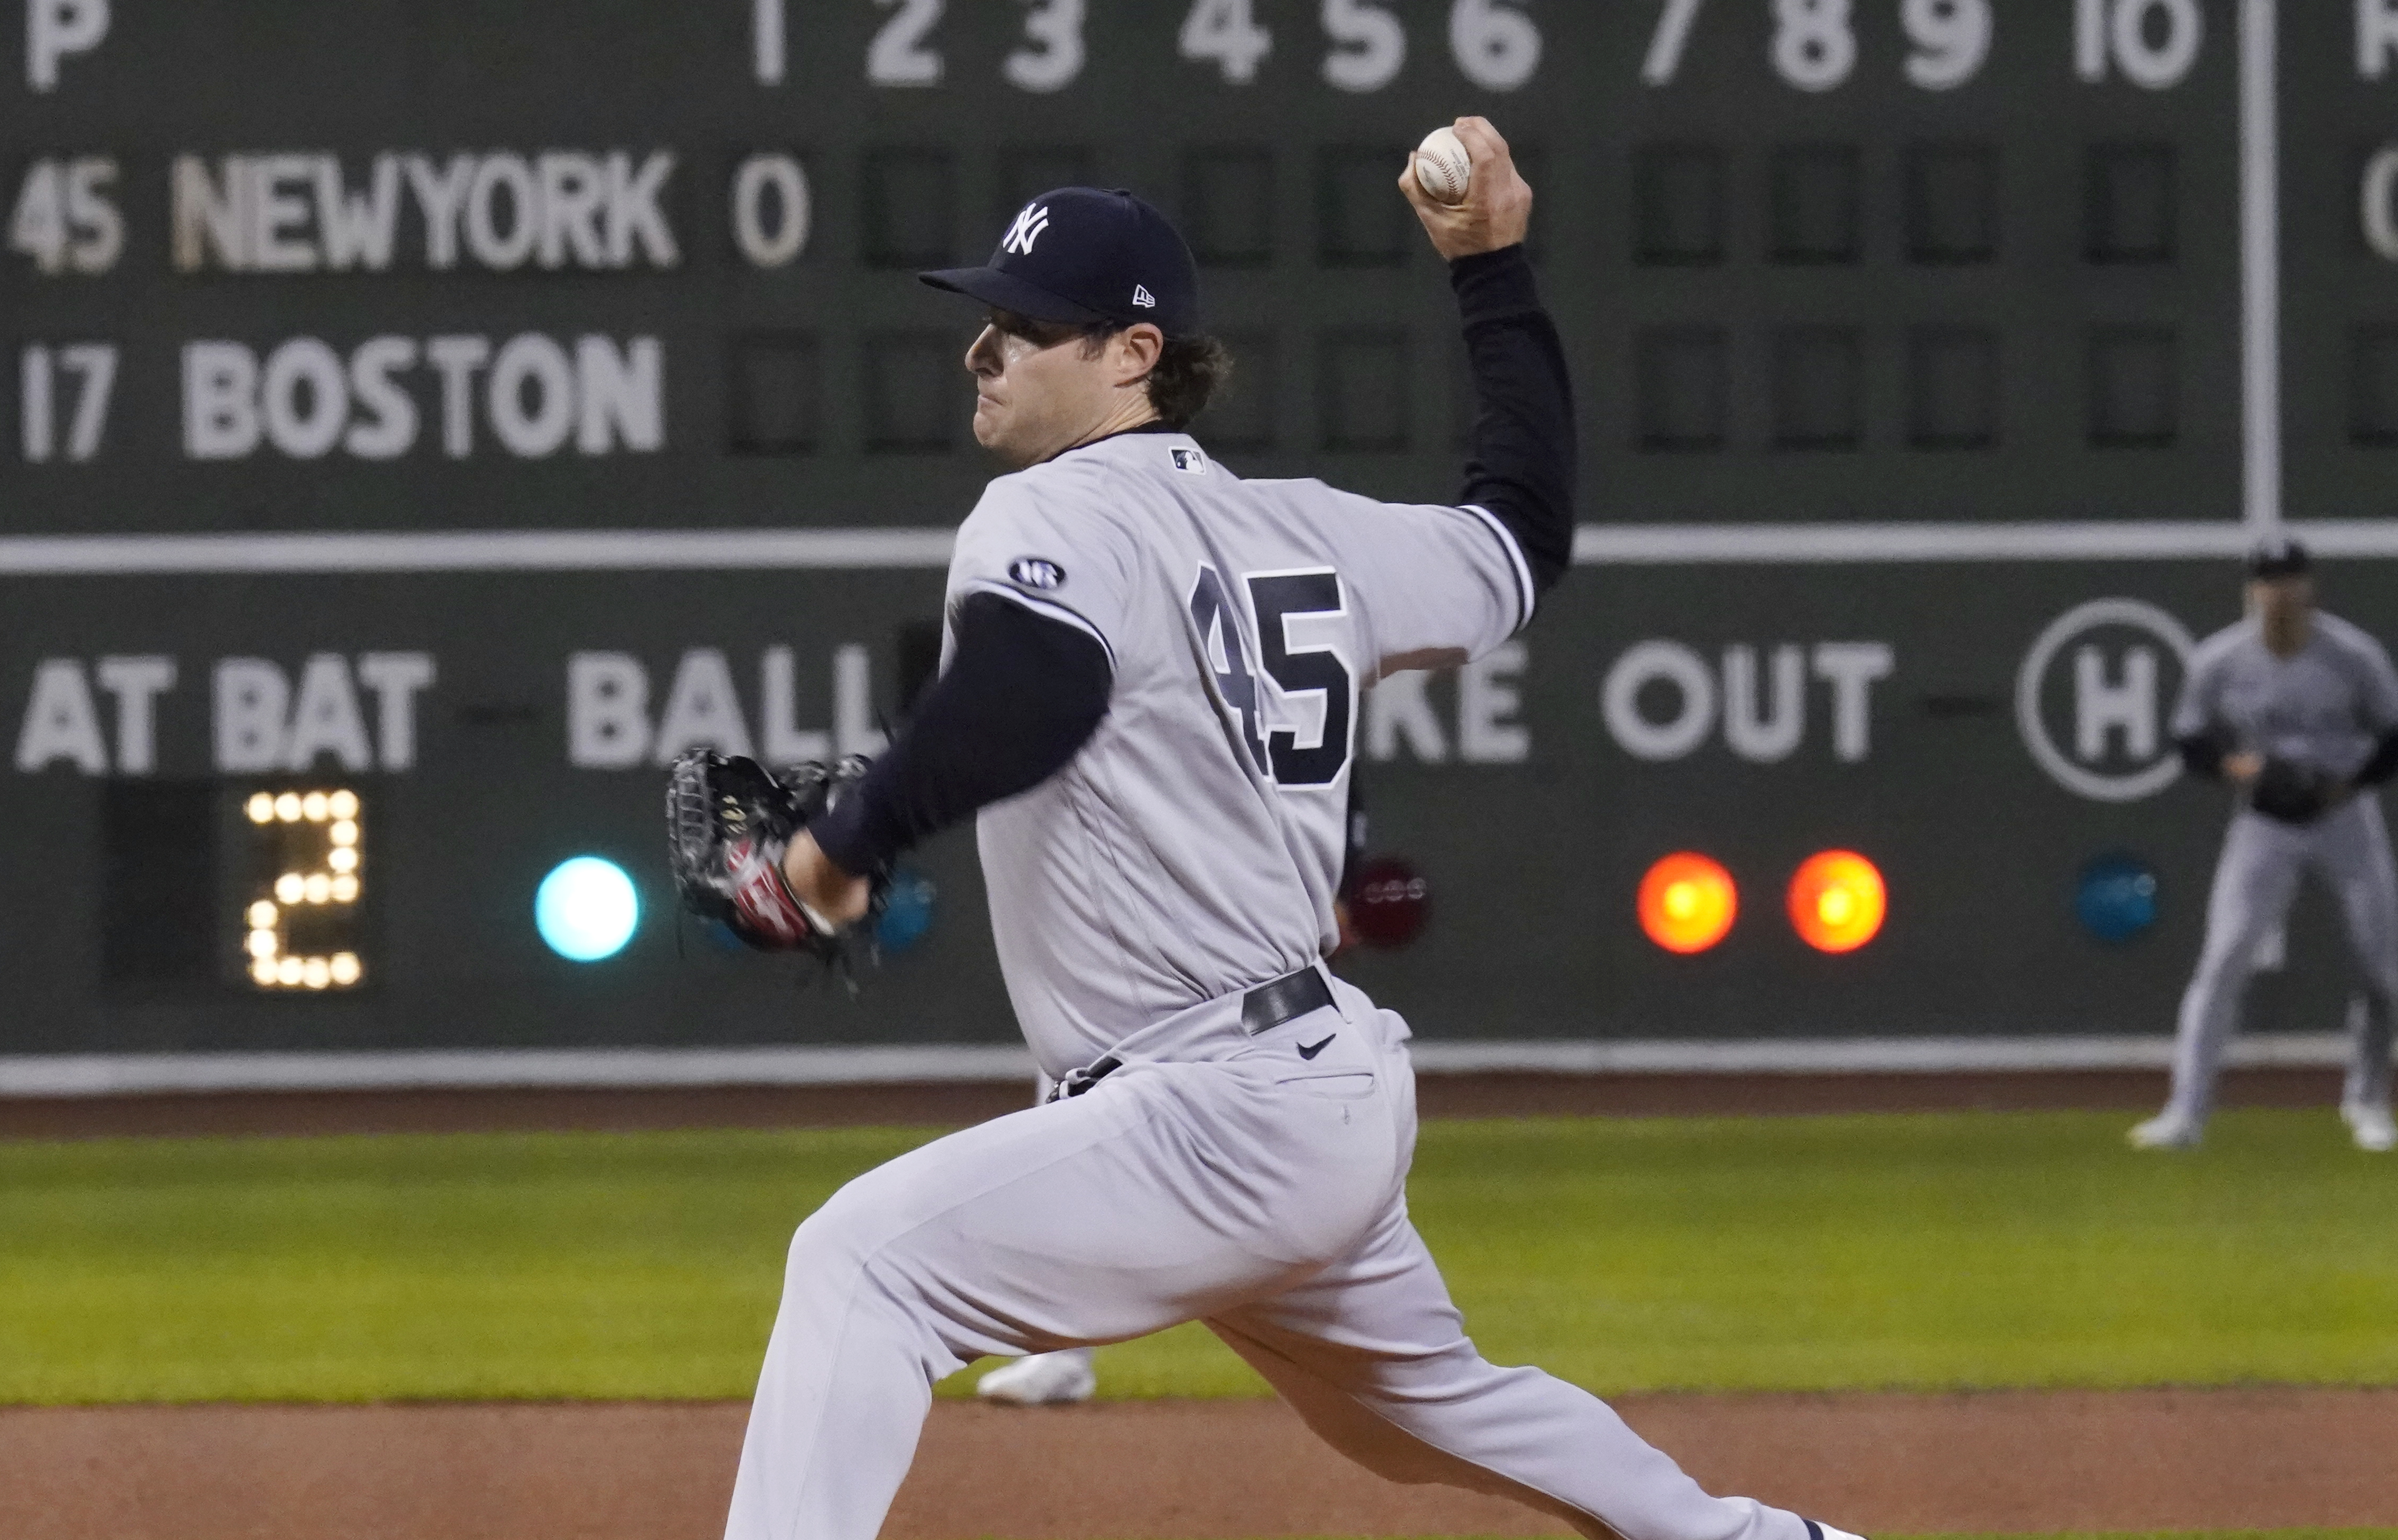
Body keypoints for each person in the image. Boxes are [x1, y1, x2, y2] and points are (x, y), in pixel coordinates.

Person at [723, 119, 1862, 1540]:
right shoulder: (1306, 528)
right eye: (986, 321)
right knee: (1423, 1408)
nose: (984, 348)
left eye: (1026, 324)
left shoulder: (1058, 513)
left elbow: (1032, 689)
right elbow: (1520, 530)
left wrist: (843, 845)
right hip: (1307, 1085)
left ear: (1133, 354)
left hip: (1208, 1104)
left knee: (858, 1267)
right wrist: (1490, 270)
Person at [976, 783, 1375, 1409]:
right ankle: (1059, 1350)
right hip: (1173, 913)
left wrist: (1340, 877)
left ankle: (1366, 1340)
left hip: (1240, 932)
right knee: (1078, 1104)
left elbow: (1326, 763)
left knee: (1290, 1131)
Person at [2133, 538, 2398, 1153]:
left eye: (2290, 578)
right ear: (2252, 590)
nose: (2280, 591)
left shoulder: (2351, 654)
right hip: (2264, 820)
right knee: (2222, 961)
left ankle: (2369, 1100)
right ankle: (2186, 1113)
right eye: (2268, 579)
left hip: (2345, 815)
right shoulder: (2221, 658)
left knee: (2381, 967)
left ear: (2309, 587)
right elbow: (2189, 739)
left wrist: (2349, 783)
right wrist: (2237, 769)